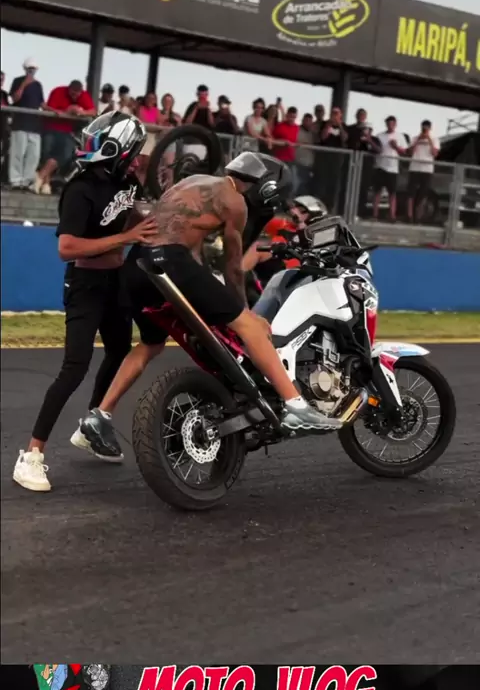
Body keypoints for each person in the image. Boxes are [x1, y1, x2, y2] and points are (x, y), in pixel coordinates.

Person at [76, 152, 343, 459]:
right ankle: (296, 406)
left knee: (151, 344)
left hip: (136, 263)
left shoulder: (192, 182)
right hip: (170, 259)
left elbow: (191, 251)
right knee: (249, 326)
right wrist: (245, 312)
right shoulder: (236, 202)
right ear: (266, 187)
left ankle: (100, 415)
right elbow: (233, 268)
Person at [12, 112, 159, 492]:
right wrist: (126, 239)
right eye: (133, 155)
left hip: (116, 281)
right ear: (118, 152)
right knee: (74, 367)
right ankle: (31, 455)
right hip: (86, 284)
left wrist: (149, 219)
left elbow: (130, 217)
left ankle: (93, 425)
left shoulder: (127, 182)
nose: (137, 161)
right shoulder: (80, 189)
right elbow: (67, 248)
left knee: (119, 350)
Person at [36, 80, 96, 195]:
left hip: (67, 131)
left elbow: (93, 111)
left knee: (65, 155)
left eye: (77, 94)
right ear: (69, 89)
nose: (75, 96)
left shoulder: (84, 95)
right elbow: (49, 109)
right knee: (47, 155)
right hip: (50, 127)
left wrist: (81, 112)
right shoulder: (58, 91)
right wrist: (67, 111)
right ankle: (45, 184)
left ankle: (40, 176)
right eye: (73, 94)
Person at [8, 58, 44, 191]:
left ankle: (27, 182)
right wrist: (24, 84)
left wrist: (55, 110)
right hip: (20, 123)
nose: (31, 71)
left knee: (33, 155)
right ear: (25, 69)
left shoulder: (38, 85)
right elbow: (14, 98)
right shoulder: (18, 81)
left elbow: (41, 103)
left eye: (33, 69)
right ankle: (15, 181)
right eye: (29, 69)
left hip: (34, 125)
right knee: (17, 153)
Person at [373, 116, 408, 221]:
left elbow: (404, 152)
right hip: (380, 166)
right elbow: (375, 149)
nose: (390, 126)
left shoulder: (400, 136)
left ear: (395, 124)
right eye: (388, 124)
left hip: (392, 168)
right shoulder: (379, 136)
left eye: (392, 124)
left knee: (392, 193)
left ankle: (392, 215)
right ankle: (375, 215)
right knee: (377, 191)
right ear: (386, 124)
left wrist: (396, 146)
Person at [407, 120, 440, 223]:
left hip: (427, 169)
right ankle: (409, 216)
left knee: (424, 193)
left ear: (430, 128)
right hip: (414, 167)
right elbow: (410, 152)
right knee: (411, 192)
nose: (424, 130)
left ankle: (418, 216)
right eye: (423, 128)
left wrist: (428, 139)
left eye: (426, 128)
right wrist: (418, 140)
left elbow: (435, 153)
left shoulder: (434, 139)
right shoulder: (415, 138)